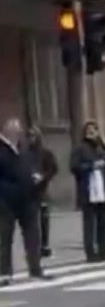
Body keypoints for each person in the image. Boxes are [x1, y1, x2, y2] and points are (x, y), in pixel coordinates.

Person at [0, 118, 51, 285]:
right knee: (5, 237)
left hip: (28, 198)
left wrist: (34, 178)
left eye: (19, 129)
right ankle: (4, 273)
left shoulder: (22, 148)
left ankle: (35, 269)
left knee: (33, 235)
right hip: (7, 201)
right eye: (15, 129)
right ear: (6, 130)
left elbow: (27, 167)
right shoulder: (2, 149)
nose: (19, 132)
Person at [70, 121, 105, 262]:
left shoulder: (102, 147)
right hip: (88, 190)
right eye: (89, 130)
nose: (91, 132)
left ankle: (104, 250)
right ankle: (90, 253)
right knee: (89, 223)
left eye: (94, 130)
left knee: (103, 222)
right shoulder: (80, 148)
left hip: (104, 189)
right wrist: (91, 166)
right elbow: (74, 167)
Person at [23, 127, 58, 259]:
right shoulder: (24, 154)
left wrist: (43, 177)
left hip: (42, 189)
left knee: (44, 218)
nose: (31, 138)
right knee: (31, 221)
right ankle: (33, 247)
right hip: (28, 190)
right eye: (29, 136)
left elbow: (53, 168)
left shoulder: (45, 153)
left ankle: (44, 245)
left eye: (33, 136)